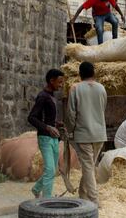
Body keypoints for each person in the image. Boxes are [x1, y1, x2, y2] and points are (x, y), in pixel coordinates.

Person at [66, 62, 107, 206]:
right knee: (90, 166)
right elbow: (103, 108)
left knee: (88, 167)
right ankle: (82, 195)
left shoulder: (75, 88)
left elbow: (71, 114)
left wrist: (70, 131)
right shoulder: (102, 88)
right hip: (100, 134)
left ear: (79, 74)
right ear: (93, 73)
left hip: (83, 134)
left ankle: (94, 200)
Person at [28, 69, 65, 198]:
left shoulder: (51, 96)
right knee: (49, 170)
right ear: (51, 81)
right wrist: (48, 128)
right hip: (45, 138)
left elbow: (47, 118)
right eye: (59, 82)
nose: (61, 85)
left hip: (54, 138)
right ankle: (47, 201)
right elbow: (32, 117)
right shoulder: (42, 96)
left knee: (52, 170)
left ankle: (36, 189)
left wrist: (56, 123)